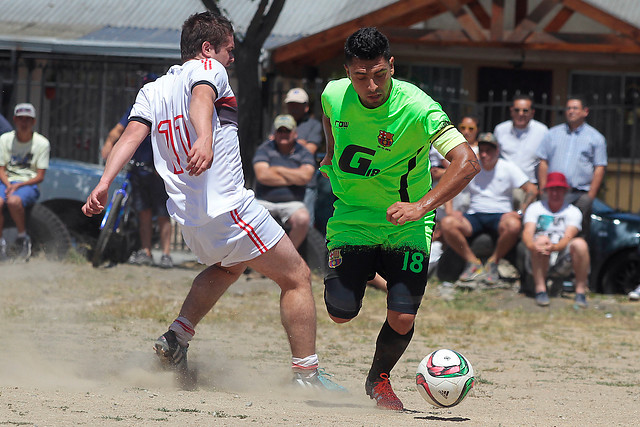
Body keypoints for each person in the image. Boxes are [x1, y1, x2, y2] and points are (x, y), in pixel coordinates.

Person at [82, 11, 343, 392]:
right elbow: (201, 98)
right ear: (207, 49)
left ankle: (176, 337)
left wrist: (104, 181)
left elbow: (129, 137)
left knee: (228, 268)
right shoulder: (209, 69)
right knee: (297, 278)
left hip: (191, 220)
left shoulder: (152, 90)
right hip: (230, 207)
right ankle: (307, 375)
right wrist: (204, 137)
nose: (232, 58)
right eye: (229, 50)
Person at [320, 27, 478, 410]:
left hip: (406, 224)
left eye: (379, 74)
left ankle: (379, 381)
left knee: (403, 316)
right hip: (352, 218)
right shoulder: (332, 93)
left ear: (391, 65)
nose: (371, 85)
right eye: (360, 77)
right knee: (340, 313)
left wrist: (421, 207)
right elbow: (330, 118)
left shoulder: (418, 108)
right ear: (347, 73)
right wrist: (329, 152)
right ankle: (371, 271)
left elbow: (467, 161)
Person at [440, 132, 537, 284]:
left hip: (500, 214)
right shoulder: (471, 167)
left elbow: (531, 189)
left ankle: (494, 261)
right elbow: (450, 185)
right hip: (474, 214)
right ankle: (473, 262)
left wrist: (520, 212)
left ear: (497, 151)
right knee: (447, 223)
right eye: (482, 150)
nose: (485, 154)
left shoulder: (508, 167)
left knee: (514, 225)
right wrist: (451, 211)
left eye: (489, 151)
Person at [102, 73, 174, 268]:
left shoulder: (166, 111)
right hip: (139, 170)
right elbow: (118, 131)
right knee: (143, 212)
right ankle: (146, 251)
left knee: (162, 214)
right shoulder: (137, 109)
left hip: (159, 171)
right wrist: (109, 144)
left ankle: (166, 254)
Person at [537, 96, 607, 238]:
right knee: (549, 229)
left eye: (575, 108)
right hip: (553, 191)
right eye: (568, 108)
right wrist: (543, 188)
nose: (571, 111)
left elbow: (599, 167)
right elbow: (543, 162)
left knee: (577, 232)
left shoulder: (596, 137)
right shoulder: (552, 134)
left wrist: (591, 195)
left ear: (585, 111)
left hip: (580, 194)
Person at [522, 172, 590, 308]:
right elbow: (527, 232)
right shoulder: (535, 208)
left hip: (561, 256)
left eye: (559, 189)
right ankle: (540, 290)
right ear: (547, 191)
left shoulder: (573, 211)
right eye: (552, 189)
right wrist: (533, 246)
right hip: (536, 255)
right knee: (541, 240)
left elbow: (568, 237)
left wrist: (553, 247)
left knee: (580, 244)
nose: (555, 193)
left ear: (565, 191)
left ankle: (580, 292)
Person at [253, 114, 315, 249]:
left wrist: (277, 169)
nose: (283, 134)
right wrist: (294, 176)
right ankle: (254, 258)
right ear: (274, 133)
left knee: (303, 219)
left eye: (287, 131)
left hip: (293, 203)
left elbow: (305, 177)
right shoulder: (265, 149)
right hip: (264, 201)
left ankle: (288, 255)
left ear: (295, 133)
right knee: (248, 217)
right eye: (280, 131)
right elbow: (262, 176)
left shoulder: (304, 152)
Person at [0, 103, 50, 261]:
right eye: (20, 119)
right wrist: (8, 185)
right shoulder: (5, 139)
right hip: (6, 182)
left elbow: (40, 175)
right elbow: (1, 168)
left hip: (28, 183)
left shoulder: (42, 143)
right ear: (14, 120)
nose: (24, 123)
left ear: (33, 122)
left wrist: (18, 186)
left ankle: (23, 238)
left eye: (27, 120)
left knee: (14, 201)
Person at [284, 87, 324, 228]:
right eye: (291, 104)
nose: (293, 108)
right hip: (282, 183)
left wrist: (285, 144)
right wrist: (300, 143)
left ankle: (305, 251)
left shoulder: (314, 125)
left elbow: (309, 150)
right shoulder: (280, 123)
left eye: (297, 104)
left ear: (306, 107)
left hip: (306, 184)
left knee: (305, 225)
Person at [494, 95, 548, 193]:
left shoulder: (542, 131)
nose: (521, 114)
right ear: (511, 111)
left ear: (532, 112)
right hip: (504, 187)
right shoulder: (500, 130)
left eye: (525, 111)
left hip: (531, 187)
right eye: (517, 110)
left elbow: (545, 161)